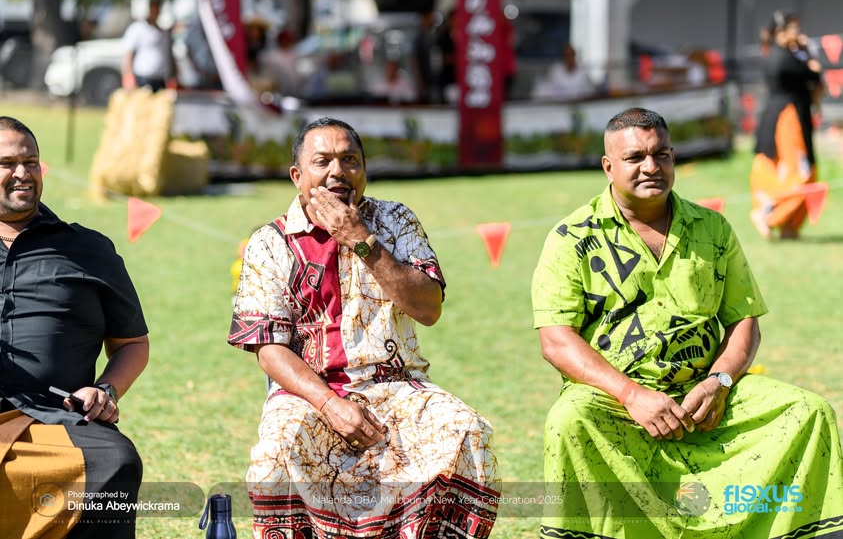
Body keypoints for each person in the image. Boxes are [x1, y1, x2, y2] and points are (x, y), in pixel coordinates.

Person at [532, 107, 843, 538]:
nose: (650, 167)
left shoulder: (712, 228)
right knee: (570, 418)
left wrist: (721, 383)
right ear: (608, 166)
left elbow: (743, 321)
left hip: (707, 398)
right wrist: (632, 395)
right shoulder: (572, 239)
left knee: (808, 412)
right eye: (635, 157)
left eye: (661, 155)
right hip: (616, 403)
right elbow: (556, 341)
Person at [228, 117, 499, 539]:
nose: (338, 172)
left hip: (398, 384)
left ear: (364, 170)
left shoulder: (396, 221)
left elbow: (428, 308)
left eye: (349, 159)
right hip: (310, 392)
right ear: (297, 176)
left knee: (465, 429)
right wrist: (330, 404)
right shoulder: (270, 241)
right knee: (280, 444)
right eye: (322, 162)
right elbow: (268, 349)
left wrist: (362, 239)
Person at [0, 116, 150, 538]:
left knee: (115, 461)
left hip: (53, 419)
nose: (22, 173)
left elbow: (133, 342)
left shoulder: (87, 249)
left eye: (30, 161)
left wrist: (106, 390)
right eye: (7, 163)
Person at [751, 10, 824, 239]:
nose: (799, 33)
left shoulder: (773, 55)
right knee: (802, 173)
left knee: (785, 171)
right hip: (789, 119)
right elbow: (816, 76)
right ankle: (768, 213)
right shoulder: (786, 58)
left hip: (776, 117)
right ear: (780, 32)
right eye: (794, 28)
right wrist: (805, 51)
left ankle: (788, 226)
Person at [122, 0, 176, 92]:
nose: (155, 11)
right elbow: (129, 54)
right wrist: (128, 76)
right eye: (153, 7)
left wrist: (174, 75)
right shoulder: (138, 28)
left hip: (161, 78)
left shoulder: (164, 33)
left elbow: (169, 56)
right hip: (143, 78)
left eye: (157, 8)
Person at [531, 43, 596, 101]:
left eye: (571, 55)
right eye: (567, 55)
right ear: (563, 56)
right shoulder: (556, 69)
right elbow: (550, 87)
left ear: (574, 55)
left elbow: (589, 91)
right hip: (559, 101)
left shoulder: (583, 71)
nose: (569, 58)